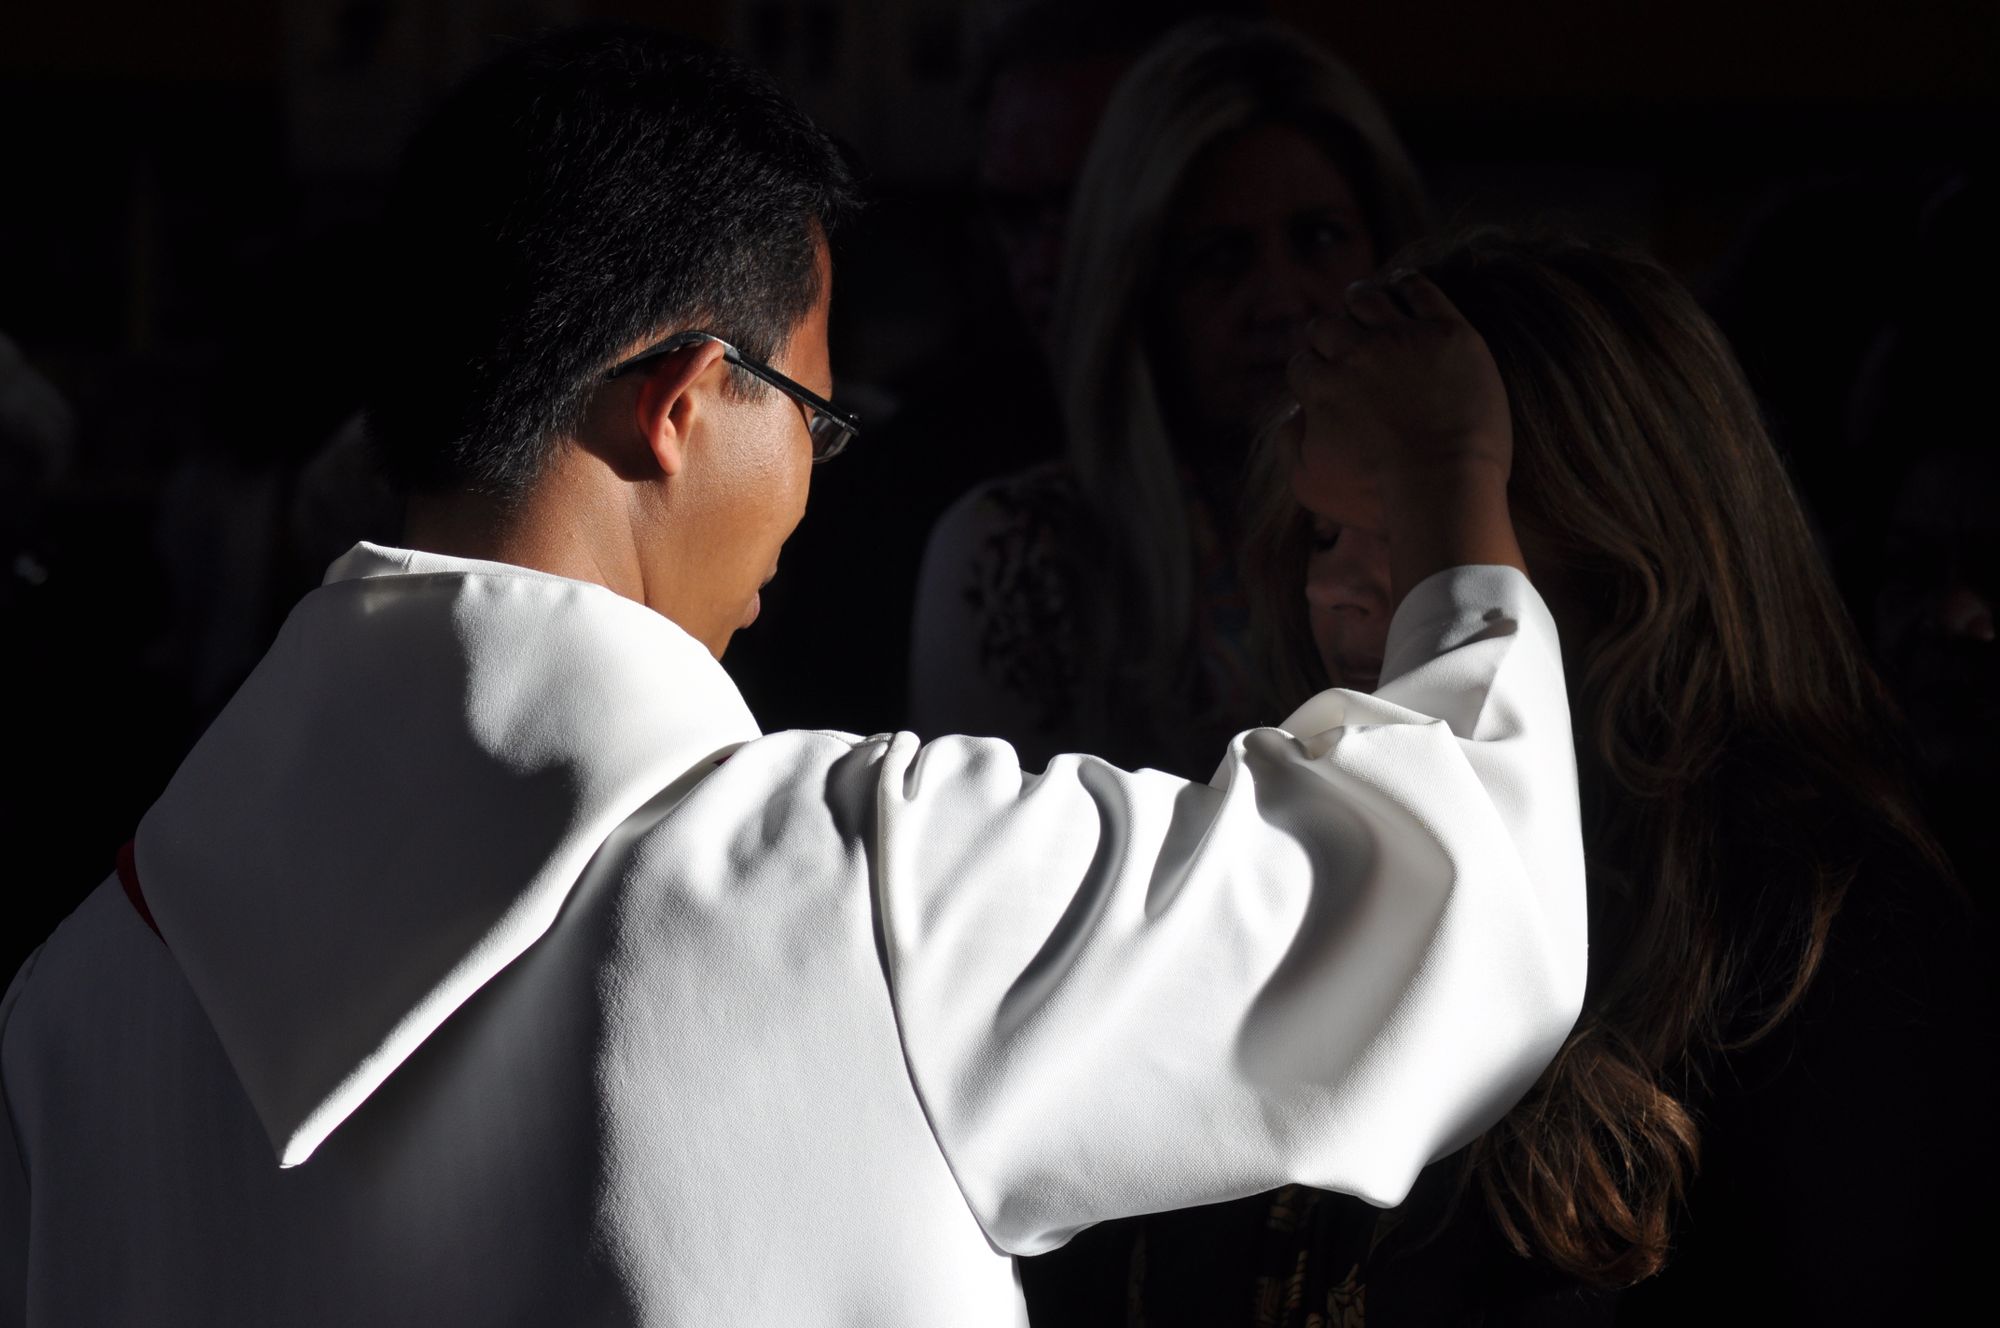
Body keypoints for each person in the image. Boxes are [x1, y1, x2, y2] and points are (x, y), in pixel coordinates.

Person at [1, 30, 1586, 1326]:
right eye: (817, 420)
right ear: (686, 404)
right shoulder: (865, 893)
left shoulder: (77, 1006)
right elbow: (1450, 920)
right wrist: (1453, 490)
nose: (821, 481)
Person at [1089, 230, 1997, 1326]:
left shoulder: (1811, 926)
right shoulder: (1274, 854)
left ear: (1627, 543)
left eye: (1417, 526)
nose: (1338, 590)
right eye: (1326, 532)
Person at [911, 16, 1429, 779]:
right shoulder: (1024, 555)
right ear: (1140, 291)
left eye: (1318, 238)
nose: (1280, 300)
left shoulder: (1475, 511)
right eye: (1221, 260)